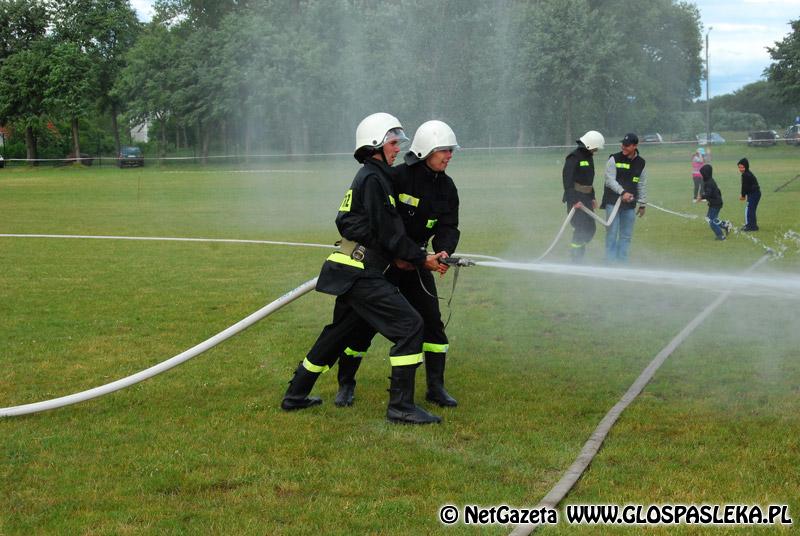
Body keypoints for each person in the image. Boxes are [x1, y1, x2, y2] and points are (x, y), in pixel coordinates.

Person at [280, 112, 446, 425]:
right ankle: (401, 406)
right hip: (360, 272)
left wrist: (399, 255)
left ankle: (296, 394)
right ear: (375, 145)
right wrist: (420, 257)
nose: (398, 149)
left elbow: (357, 223)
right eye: (394, 143)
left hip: (351, 268)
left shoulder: (373, 177)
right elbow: (389, 232)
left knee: (337, 335)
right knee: (410, 325)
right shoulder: (374, 179)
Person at [333, 120, 461, 409]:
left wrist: (442, 251)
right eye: (444, 150)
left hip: (419, 263)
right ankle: (346, 384)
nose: (449, 155)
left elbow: (449, 225)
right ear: (427, 150)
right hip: (385, 265)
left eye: (451, 151)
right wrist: (397, 256)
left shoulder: (448, 188)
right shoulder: (395, 177)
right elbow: (378, 224)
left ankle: (436, 387)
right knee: (361, 326)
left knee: (433, 325)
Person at [601, 133, 647, 263]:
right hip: (612, 202)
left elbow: (641, 183)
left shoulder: (641, 163)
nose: (623, 147)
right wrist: (622, 192)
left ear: (635, 146)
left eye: (627, 145)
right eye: (623, 144)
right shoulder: (613, 159)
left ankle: (622, 262)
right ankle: (610, 262)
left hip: (629, 205)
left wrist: (642, 204)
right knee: (612, 233)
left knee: (626, 236)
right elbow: (609, 180)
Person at [562, 130, 605, 262]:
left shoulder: (588, 157)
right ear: (589, 145)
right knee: (581, 228)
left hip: (586, 199)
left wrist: (592, 197)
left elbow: (588, 180)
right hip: (576, 199)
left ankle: (578, 253)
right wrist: (574, 200)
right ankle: (576, 258)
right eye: (595, 148)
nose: (596, 150)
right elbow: (567, 180)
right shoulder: (573, 157)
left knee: (590, 229)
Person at [697, 163, 731, 241]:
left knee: (711, 221)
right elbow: (716, 191)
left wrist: (701, 197)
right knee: (711, 218)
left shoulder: (709, 183)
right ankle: (725, 225)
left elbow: (708, 193)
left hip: (715, 204)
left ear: (706, 174)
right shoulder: (710, 180)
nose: (702, 176)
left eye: (702, 174)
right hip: (715, 203)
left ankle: (720, 236)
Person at [737, 158, 761, 231]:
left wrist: (743, 195)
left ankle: (750, 226)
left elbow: (744, 186)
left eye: (742, 167)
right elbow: (746, 186)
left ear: (746, 167)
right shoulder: (747, 173)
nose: (741, 169)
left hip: (754, 194)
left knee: (749, 209)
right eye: (739, 167)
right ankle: (752, 225)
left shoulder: (746, 175)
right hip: (754, 193)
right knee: (751, 209)